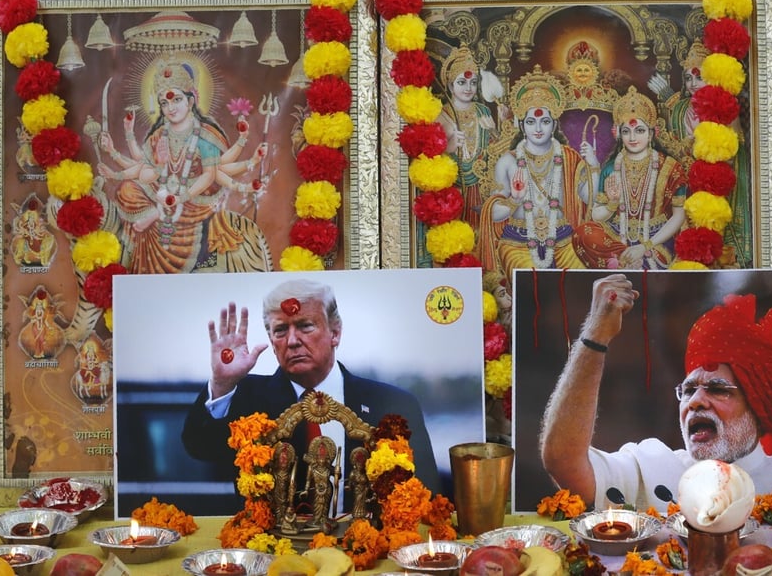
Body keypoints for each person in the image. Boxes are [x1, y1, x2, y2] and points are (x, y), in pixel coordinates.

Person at [540, 273, 772, 514]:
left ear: (757, 407)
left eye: (718, 389)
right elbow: (564, 462)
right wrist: (595, 337)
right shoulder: (649, 465)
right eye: (688, 389)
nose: (695, 401)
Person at [182, 278, 441, 514]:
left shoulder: (391, 404)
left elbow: (427, 493)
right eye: (281, 330)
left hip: (365, 551)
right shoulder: (245, 398)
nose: (292, 340)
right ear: (271, 341)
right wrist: (221, 384)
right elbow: (199, 447)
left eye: (305, 326)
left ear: (335, 333)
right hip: (272, 553)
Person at [97, 59, 268, 274]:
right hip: (164, 194)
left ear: (191, 99)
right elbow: (145, 171)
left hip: (194, 199)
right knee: (127, 190)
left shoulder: (206, 136)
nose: (171, 108)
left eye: (176, 99)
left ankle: (158, 217)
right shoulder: (159, 135)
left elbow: (208, 177)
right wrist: (152, 163)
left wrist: (181, 197)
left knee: (165, 204)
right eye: (164, 103)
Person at [481, 65, 594, 275]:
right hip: (518, 242)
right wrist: (515, 199)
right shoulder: (508, 161)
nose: (539, 128)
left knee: (579, 279)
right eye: (531, 122)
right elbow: (494, 215)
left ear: (554, 124)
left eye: (545, 121)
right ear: (522, 126)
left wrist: (594, 166)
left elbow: (590, 199)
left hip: (563, 240)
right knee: (528, 279)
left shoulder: (569, 158)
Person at [650, 40, 752, 267]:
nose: (693, 83)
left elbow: (732, 150)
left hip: (716, 182)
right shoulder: (680, 109)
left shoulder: (725, 106)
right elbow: (671, 142)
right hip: (684, 181)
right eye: (688, 78)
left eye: (699, 76)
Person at [575, 87, 688, 269]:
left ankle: (635, 260)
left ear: (651, 134)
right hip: (617, 236)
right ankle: (626, 259)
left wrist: (645, 246)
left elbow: (679, 216)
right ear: (619, 134)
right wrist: (612, 203)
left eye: (640, 131)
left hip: (656, 238)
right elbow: (596, 215)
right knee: (583, 233)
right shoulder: (611, 167)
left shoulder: (669, 168)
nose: (633, 137)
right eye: (627, 131)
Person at [435, 44, 500, 228]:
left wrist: (494, 132)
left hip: (481, 183)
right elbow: (430, 158)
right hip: (454, 185)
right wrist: (450, 147)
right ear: (450, 84)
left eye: (473, 82)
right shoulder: (442, 114)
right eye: (462, 82)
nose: (468, 88)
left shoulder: (482, 111)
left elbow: (494, 149)